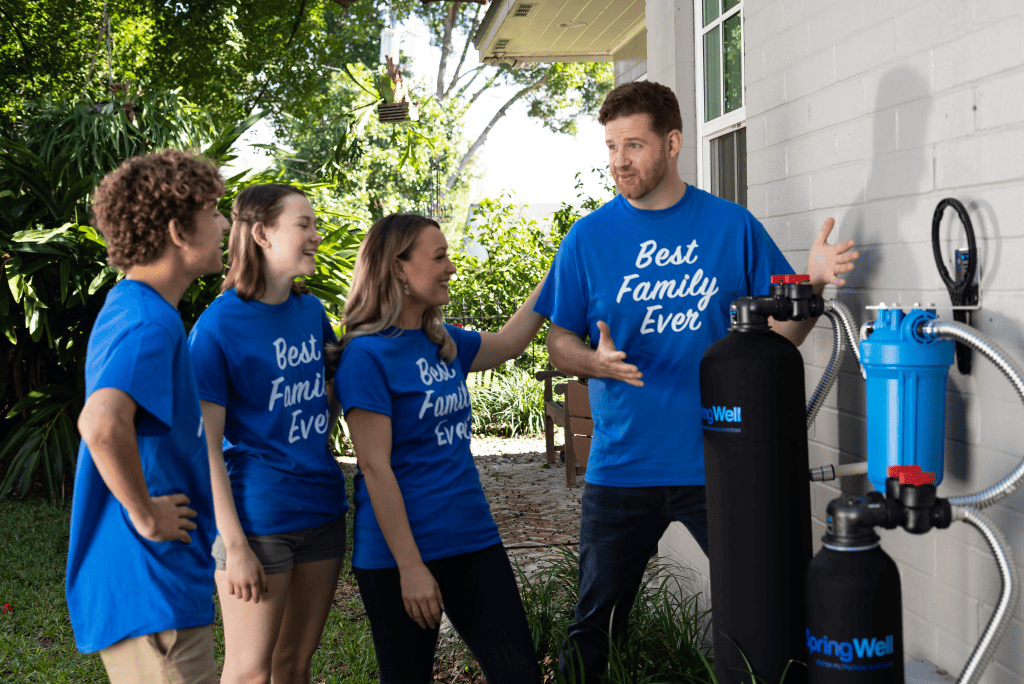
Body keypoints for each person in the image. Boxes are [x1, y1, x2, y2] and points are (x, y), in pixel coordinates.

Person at [533, 80, 859, 682]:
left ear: (673, 142)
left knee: (772, 604)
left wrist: (810, 287)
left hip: (720, 461)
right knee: (594, 625)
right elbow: (558, 340)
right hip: (623, 464)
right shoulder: (588, 237)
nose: (619, 161)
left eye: (633, 145)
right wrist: (592, 363)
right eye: (610, 147)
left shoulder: (730, 228)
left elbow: (778, 339)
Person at [333, 213, 545, 684]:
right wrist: (411, 567)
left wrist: (563, 267)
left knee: (519, 674)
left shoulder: (442, 341)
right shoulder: (366, 356)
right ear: (399, 269)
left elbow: (510, 342)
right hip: (397, 555)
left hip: (472, 537)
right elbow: (374, 467)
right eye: (440, 257)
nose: (451, 267)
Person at [66, 149, 228, 683]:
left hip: (150, 585)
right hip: (152, 585)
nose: (226, 223)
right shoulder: (149, 325)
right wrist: (147, 514)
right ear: (180, 230)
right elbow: (101, 423)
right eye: (214, 211)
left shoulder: (130, 305)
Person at [187, 184, 348, 684]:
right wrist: (233, 546)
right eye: (304, 225)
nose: (316, 237)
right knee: (250, 673)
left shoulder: (310, 312)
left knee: (294, 667)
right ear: (261, 233)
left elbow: (325, 400)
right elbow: (204, 448)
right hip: (259, 524)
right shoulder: (216, 328)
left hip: (323, 510)